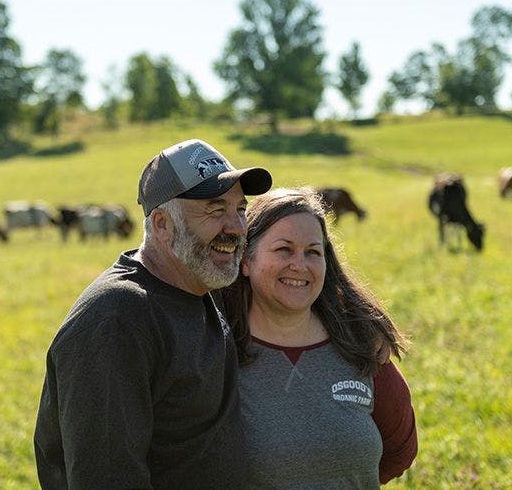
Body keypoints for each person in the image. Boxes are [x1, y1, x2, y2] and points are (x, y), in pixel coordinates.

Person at [33, 139, 272, 489]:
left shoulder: (202, 284)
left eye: (240, 208)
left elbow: (293, 284)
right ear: (161, 224)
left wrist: (355, 328)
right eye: (214, 208)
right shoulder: (118, 321)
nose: (236, 226)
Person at [221, 187, 418, 489]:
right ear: (246, 260)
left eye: (313, 252)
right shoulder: (217, 351)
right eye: (284, 249)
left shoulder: (360, 344)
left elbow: (401, 449)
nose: (299, 265)